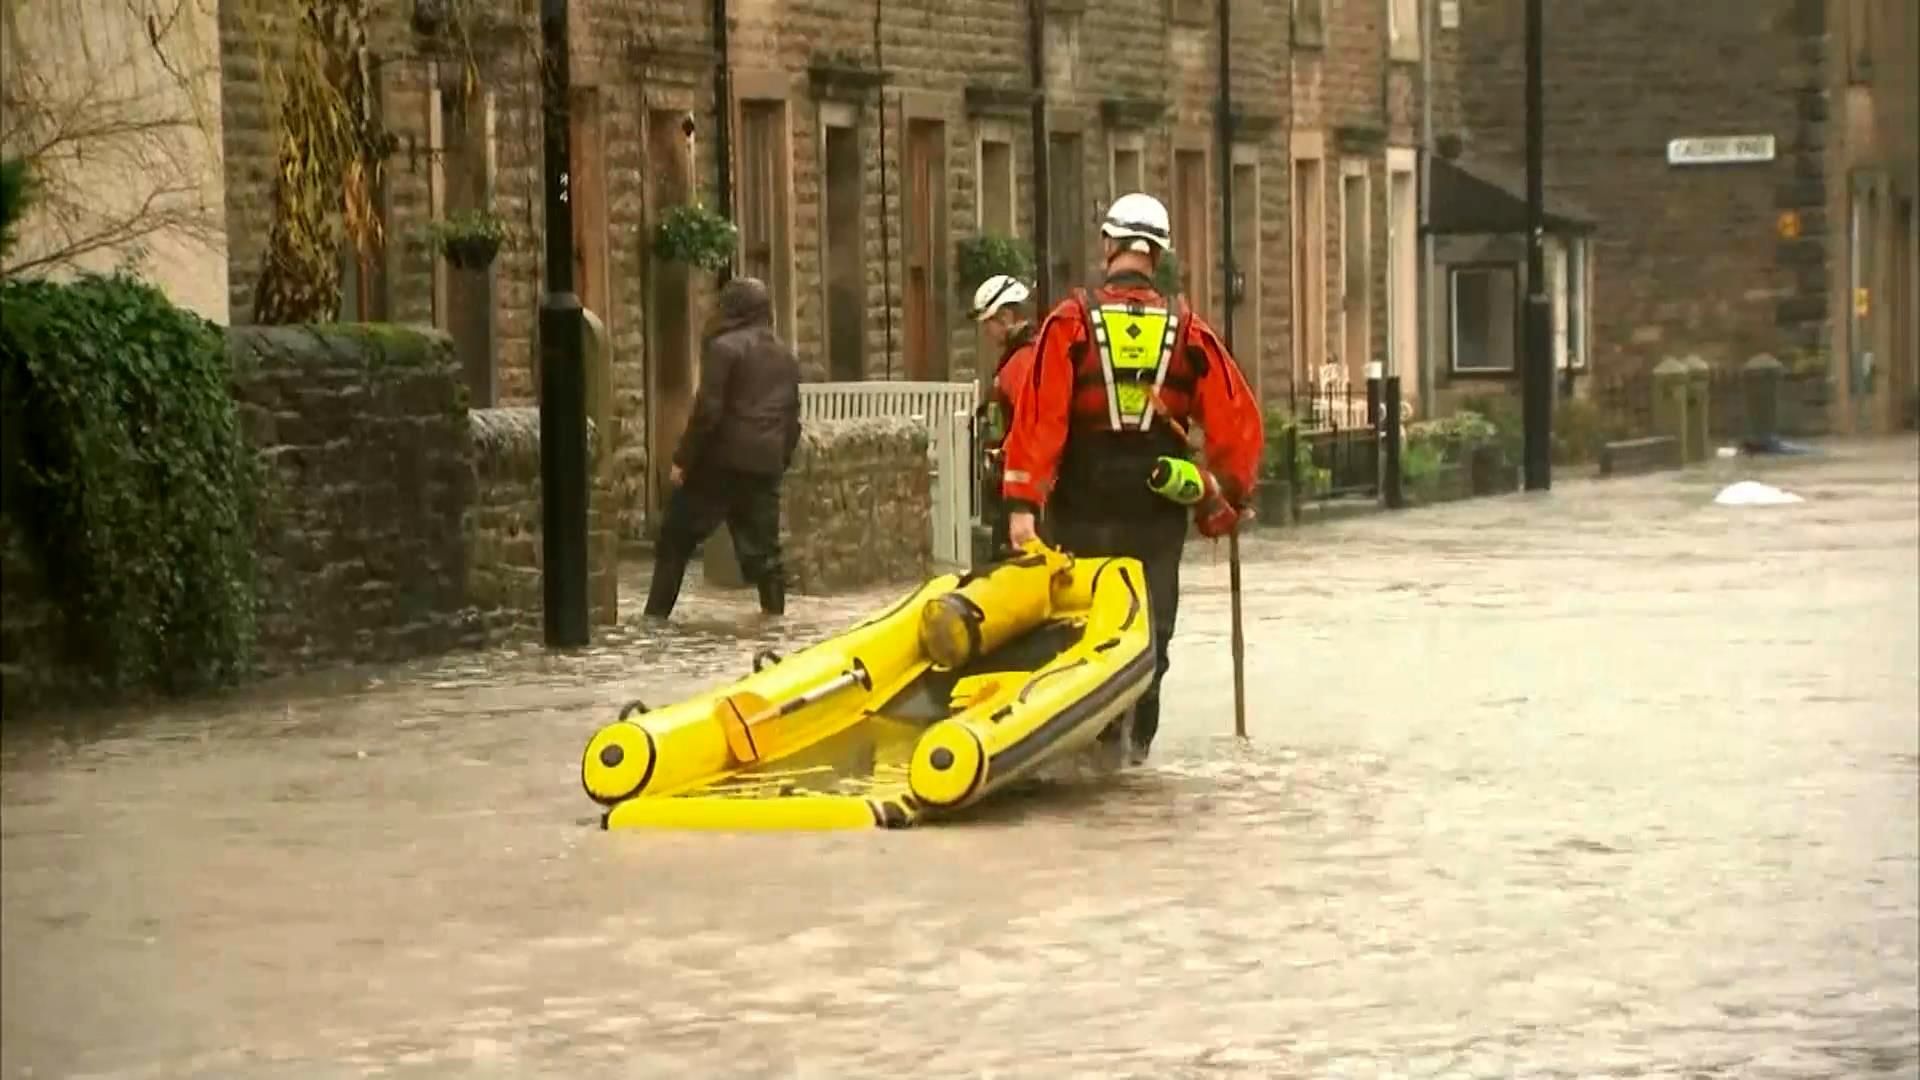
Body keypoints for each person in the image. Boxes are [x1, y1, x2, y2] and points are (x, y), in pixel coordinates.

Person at [999, 192, 1264, 763]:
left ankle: (1081, 748)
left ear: (1109, 246)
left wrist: (1022, 503)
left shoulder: (1069, 321)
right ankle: (1134, 756)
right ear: (1159, 254)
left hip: (1082, 500)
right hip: (1156, 506)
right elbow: (1237, 422)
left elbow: (1039, 415)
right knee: (1151, 632)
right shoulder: (1189, 329)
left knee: (1079, 627)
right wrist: (1228, 495)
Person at [644, 276, 802, 621]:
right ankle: (774, 623)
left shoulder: (723, 348)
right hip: (764, 465)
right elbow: (791, 421)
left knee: (674, 539)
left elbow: (708, 411)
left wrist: (683, 460)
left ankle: (654, 622)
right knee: (767, 557)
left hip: (719, 464)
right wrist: (778, 461)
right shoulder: (786, 357)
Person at [968, 273, 1040, 560]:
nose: (987, 332)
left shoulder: (1021, 362)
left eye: (988, 323)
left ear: (1006, 317)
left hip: (1015, 485)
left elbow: (1029, 422)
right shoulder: (1021, 357)